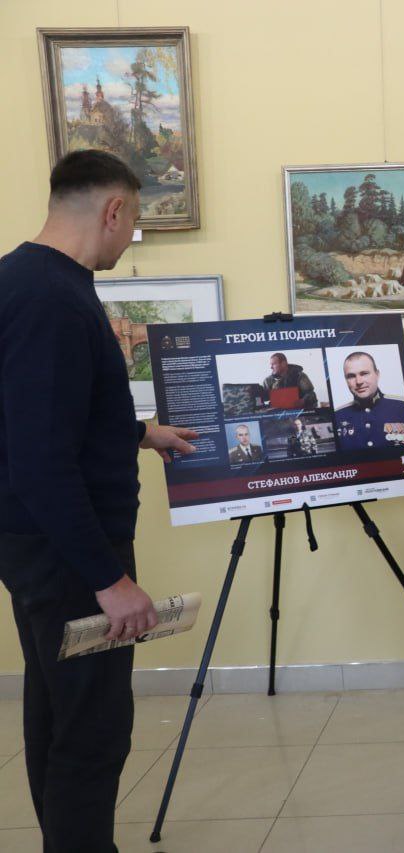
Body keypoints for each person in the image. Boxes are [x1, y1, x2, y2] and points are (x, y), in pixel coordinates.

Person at [0, 149, 197, 853]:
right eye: (135, 221)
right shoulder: (53, 299)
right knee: (92, 728)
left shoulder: (24, 278)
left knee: (57, 709)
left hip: (40, 546)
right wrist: (110, 581)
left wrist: (141, 432)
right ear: (113, 210)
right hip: (68, 557)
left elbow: (45, 415)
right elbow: (41, 462)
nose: (130, 236)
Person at [334, 351, 404, 451]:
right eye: (351, 376)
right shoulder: (337, 416)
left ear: (377, 374)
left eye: (364, 374)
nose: (358, 381)